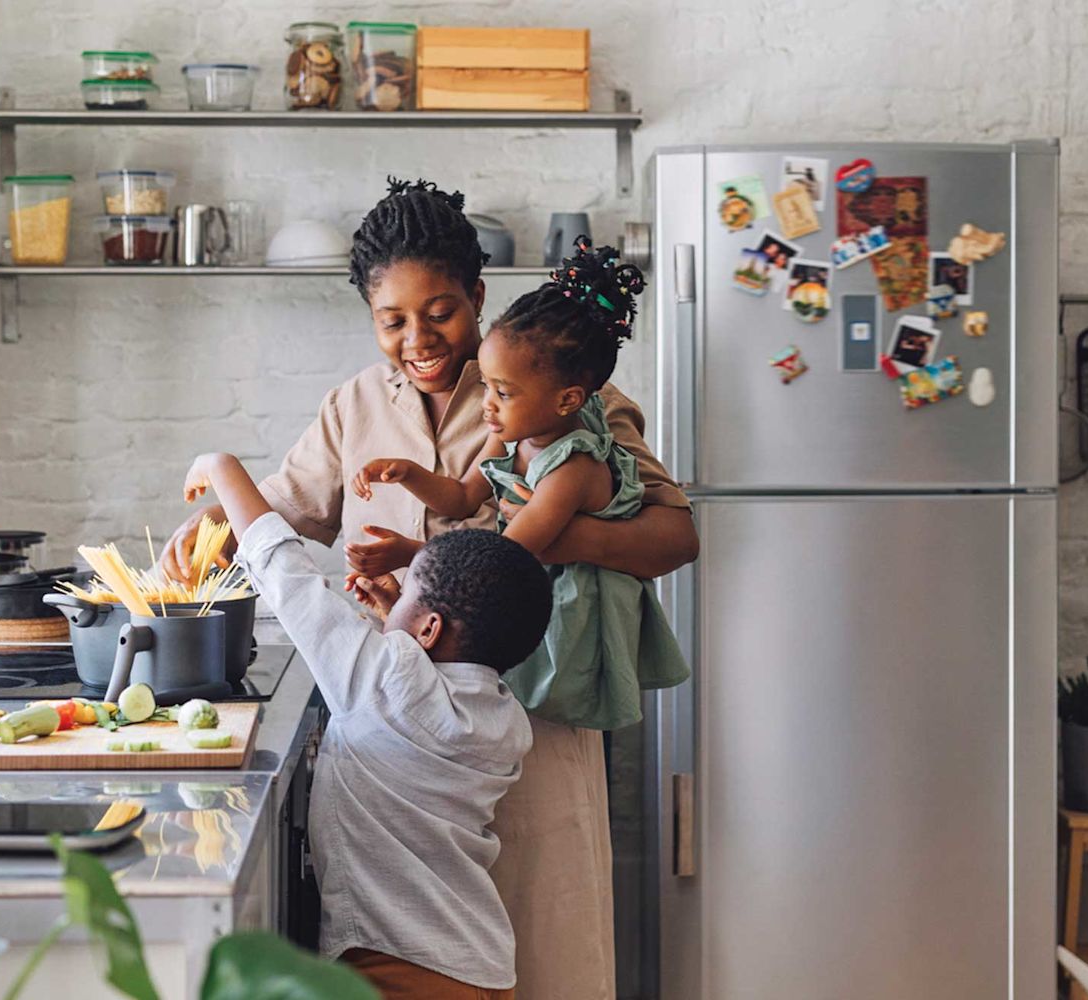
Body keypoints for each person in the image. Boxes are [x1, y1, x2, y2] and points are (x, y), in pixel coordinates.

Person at [160, 177, 698, 1000]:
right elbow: (290, 507)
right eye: (392, 320)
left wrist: (526, 539)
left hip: (538, 723)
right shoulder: (353, 407)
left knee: (551, 948)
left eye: (440, 311)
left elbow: (673, 535)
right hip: (410, 747)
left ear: (477, 295)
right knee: (431, 957)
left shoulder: (561, 385)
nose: (418, 337)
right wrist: (208, 530)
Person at [182, 450, 554, 1000]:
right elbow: (420, 700)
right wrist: (395, 624)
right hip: (479, 965)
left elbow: (285, 571)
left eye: (404, 593)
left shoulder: (389, 679)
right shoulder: (501, 714)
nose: (394, 600)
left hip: (398, 965)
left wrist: (221, 466)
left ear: (428, 630)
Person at [351, 237, 688, 729]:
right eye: (486, 385)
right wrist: (409, 474)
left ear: (568, 400)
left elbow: (507, 559)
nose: (486, 402)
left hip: (564, 625)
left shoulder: (572, 465)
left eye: (501, 392)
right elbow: (464, 496)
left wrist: (412, 555)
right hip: (515, 603)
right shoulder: (515, 433)